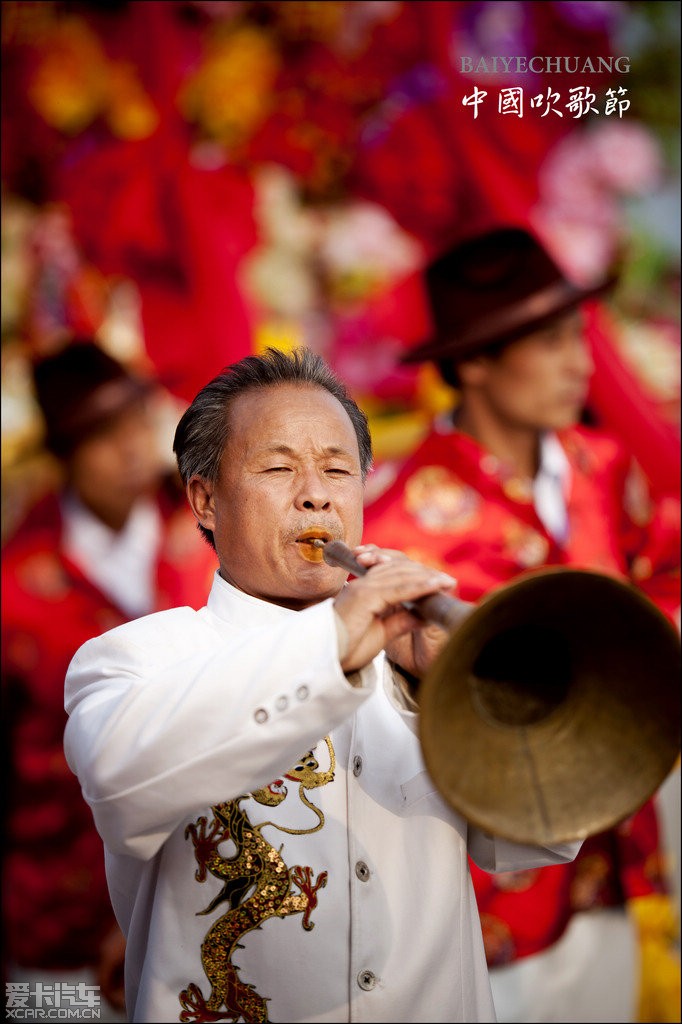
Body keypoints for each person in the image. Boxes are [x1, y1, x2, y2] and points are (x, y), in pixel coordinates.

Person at [62, 346, 587, 1024]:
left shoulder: (421, 657)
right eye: (279, 468)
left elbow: (540, 834)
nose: (316, 494)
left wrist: (463, 691)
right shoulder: (134, 657)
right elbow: (117, 777)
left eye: (338, 470)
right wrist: (336, 641)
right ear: (205, 499)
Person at [362, 226, 681, 1023]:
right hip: (495, 898)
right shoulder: (404, 523)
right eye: (549, 341)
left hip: (621, 859)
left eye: (578, 335)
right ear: (473, 362)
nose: (582, 361)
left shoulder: (603, 468)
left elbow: (663, 584)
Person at [2, 340, 217, 1020]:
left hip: (211, 896)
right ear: (64, 454)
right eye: (101, 435)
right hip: (59, 911)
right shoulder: (14, 591)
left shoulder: (211, 534)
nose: (129, 447)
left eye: (134, 421)